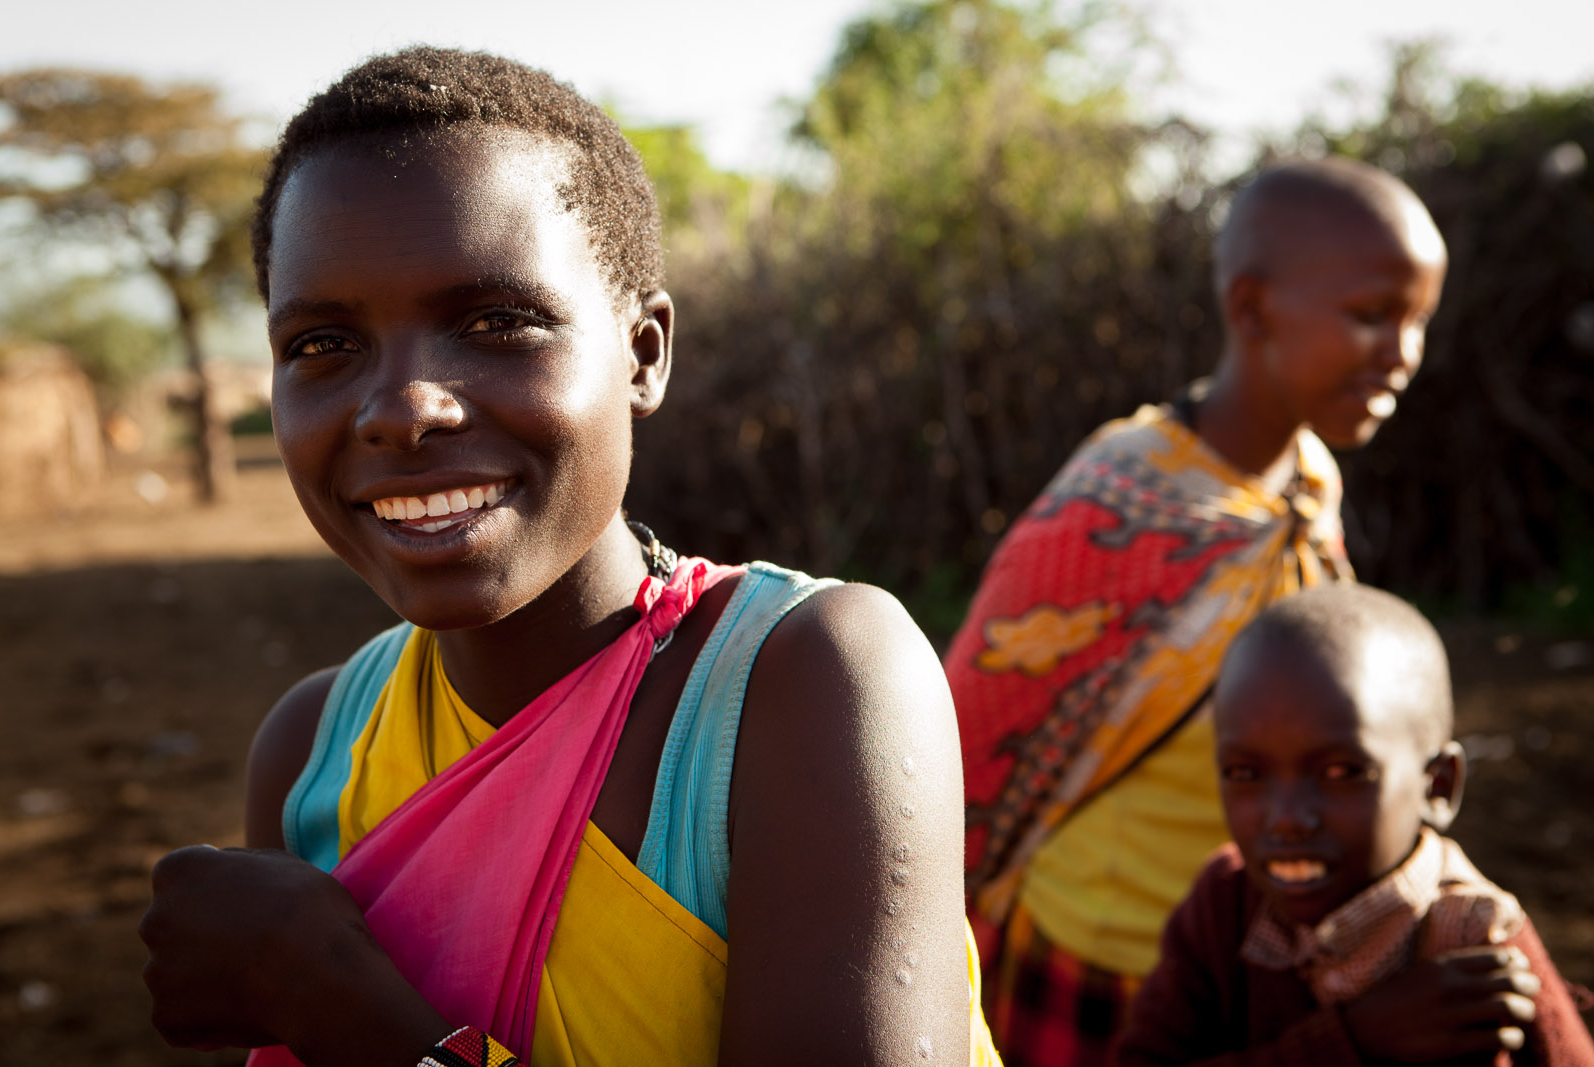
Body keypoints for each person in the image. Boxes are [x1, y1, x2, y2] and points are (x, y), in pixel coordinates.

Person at [138, 47, 1000, 1067]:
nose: (404, 407)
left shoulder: (803, 683)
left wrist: (346, 1009)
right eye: (323, 344)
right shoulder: (313, 748)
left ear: (643, 355)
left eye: (496, 321)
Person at [945, 156, 1449, 1064]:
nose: (1404, 352)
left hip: (1256, 952)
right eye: (1374, 315)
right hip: (1102, 957)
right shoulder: (1119, 503)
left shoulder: (1306, 483)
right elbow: (975, 730)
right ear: (1251, 308)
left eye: (1417, 323)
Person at [1116, 584, 1594, 1065]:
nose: (1286, 819)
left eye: (1341, 773)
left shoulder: (1476, 944)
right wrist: (1352, 1041)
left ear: (1438, 787)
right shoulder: (1224, 904)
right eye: (1245, 774)